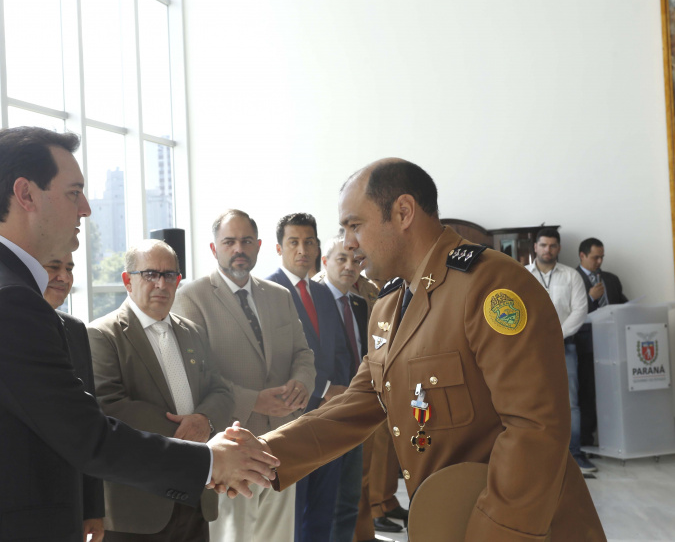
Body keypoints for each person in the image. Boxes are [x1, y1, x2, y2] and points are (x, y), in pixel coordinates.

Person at [0, 127, 279, 541]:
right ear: (25, 195)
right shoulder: (5, 301)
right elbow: (87, 436)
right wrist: (210, 461)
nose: (86, 209)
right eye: (74, 193)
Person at [235, 158, 605, 541]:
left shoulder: (491, 285)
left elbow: (535, 430)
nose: (348, 242)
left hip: (516, 528)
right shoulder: (388, 304)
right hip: (447, 520)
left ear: (403, 212)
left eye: (355, 225)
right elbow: (359, 403)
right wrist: (260, 453)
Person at [173, 209, 316, 542]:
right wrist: (254, 401)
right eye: (229, 242)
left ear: (259, 245)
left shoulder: (279, 295)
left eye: (247, 241)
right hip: (231, 445)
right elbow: (196, 374)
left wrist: (302, 382)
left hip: (282, 440)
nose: (239, 248)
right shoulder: (191, 298)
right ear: (214, 248)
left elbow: (303, 353)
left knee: (279, 536)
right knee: (233, 537)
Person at [88, 240, 234, 541]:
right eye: (150, 274)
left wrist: (204, 420)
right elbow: (110, 407)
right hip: (138, 506)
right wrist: (187, 433)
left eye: (169, 275)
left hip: (195, 496)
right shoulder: (101, 335)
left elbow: (220, 390)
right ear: (127, 280)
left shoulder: (193, 332)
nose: (161, 284)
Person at [265, 213, 351, 542]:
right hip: (291, 417)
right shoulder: (267, 292)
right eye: (294, 242)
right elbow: (276, 359)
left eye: (309, 242)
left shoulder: (324, 293)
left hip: (329, 417)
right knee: (292, 508)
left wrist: (340, 393)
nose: (302, 249)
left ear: (317, 248)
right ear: (279, 248)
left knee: (323, 506)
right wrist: (325, 389)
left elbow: (340, 349)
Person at [318, 234, 406, 542]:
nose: (349, 266)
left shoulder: (358, 299)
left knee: (358, 481)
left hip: (365, 393)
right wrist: (325, 389)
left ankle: (365, 530)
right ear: (325, 262)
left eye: (355, 260)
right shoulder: (316, 299)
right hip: (328, 404)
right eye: (341, 259)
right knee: (333, 490)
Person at [42, 252, 105, 542]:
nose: (64, 277)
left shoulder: (77, 330)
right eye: (54, 267)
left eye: (69, 268)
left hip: (72, 498)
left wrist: (93, 509)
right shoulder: (4, 328)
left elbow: (91, 420)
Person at [525, 229, 594, 473]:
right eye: (543, 245)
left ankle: (574, 455)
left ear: (559, 248)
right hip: (530, 349)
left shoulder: (571, 276)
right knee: (531, 401)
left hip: (565, 346)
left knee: (570, 402)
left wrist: (555, 337)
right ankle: (537, 456)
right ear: (535, 247)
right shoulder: (522, 274)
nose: (548, 249)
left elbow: (580, 311)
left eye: (553, 245)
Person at [574, 238, 628, 448]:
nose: (599, 261)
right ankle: (586, 442)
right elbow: (569, 312)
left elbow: (622, 304)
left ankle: (611, 439)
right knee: (588, 395)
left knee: (612, 394)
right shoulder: (572, 278)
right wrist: (589, 298)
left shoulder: (611, 279)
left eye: (602, 257)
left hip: (613, 347)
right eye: (595, 257)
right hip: (586, 348)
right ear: (582, 256)